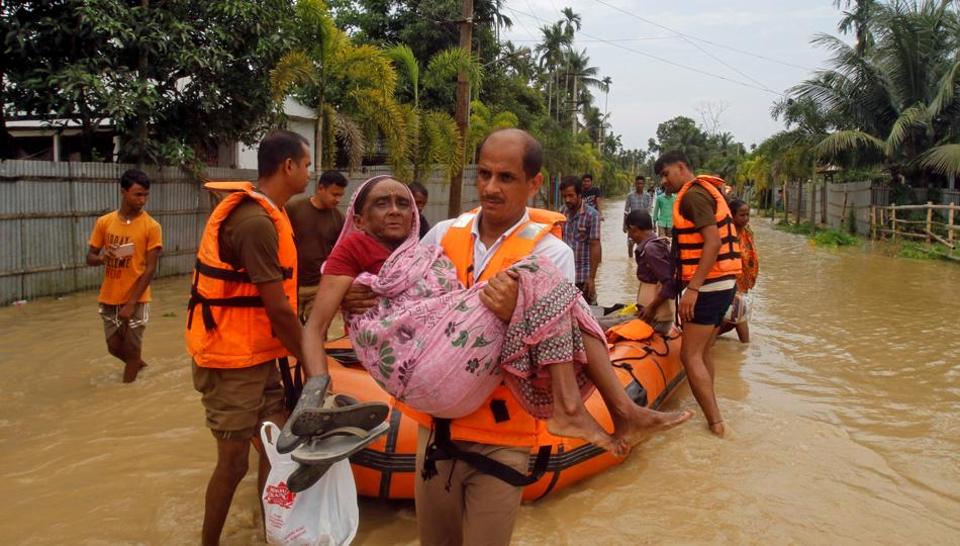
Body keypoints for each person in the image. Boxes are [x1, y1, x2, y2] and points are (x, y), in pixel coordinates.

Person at [339, 129, 689, 546]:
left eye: (505, 177)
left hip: (500, 438)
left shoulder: (550, 254)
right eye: (484, 174)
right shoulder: (442, 236)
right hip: (435, 431)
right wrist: (357, 291)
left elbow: (558, 351)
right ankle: (620, 410)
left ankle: (609, 410)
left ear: (534, 183)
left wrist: (517, 314)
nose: (489, 187)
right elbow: (405, 307)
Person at [186, 130, 320, 546]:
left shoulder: (270, 214)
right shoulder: (255, 222)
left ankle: (269, 533)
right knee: (232, 464)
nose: (309, 174)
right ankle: (208, 542)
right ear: (288, 167)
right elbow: (278, 308)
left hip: (258, 356)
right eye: (308, 166)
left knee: (276, 449)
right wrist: (316, 369)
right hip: (229, 362)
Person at [655, 150, 742, 438]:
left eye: (666, 174)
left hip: (707, 285)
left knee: (689, 356)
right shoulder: (706, 192)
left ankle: (716, 424)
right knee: (703, 351)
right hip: (722, 284)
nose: (664, 181)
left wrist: (692, 288)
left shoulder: (692, 196)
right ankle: (711, 408)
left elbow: (713, 243)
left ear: (682, 167)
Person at [86, 168, 163, 383]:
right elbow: (89, 257)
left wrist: (131, 303)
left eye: (146, 195)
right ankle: (141, 366)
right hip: (109, 295)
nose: (143, 200)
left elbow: (149, 269)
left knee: (131, 349)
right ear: (123, 192)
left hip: (137, 298)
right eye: (138, 194)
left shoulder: (152, 227)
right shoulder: (105, 222)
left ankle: (126, 392)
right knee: (113, 348)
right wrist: (103, 258)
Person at [286, 169, 347, 323]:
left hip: (319, 287)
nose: (338, 199)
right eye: (334, 194)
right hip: (292, 285)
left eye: (340, 195)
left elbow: (342, 253)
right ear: (320, 189)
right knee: (290, 333)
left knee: (317, 333)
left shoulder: (338, 218)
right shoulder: (293, 208)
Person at [624, 210, 677, 335]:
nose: (629, 236)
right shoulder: (655, 244)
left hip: (655, 318)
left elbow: (669, 283)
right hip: (651, 314)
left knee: (600, 325)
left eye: (629, 232)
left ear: (634, 229)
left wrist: (651, 308)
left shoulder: (651, 249)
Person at [719, 199, 758, 343]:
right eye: (742, 215)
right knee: (739, 314)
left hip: (744, 282)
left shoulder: (748, 231)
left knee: (733, 317)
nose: (746, 218)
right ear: (732, 215)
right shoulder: (727, 234)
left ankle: (710, 339)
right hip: (731, 282)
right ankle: (746, 346)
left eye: (748, 214)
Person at [560, 176, 602, 305]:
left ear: (579, 195)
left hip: (584, 275)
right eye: (564, 196)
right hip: (565, 275)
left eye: (571, 196)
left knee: (589, 314)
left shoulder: (592, 215)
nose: (567, 200)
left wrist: (592, 278)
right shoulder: (562, 212)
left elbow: (595, 245)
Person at [623, 175, 649, 257]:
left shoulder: (647, 196)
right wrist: (624, 225)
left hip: (643, 225)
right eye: (638, 183)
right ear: (635, 184)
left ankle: (640, 262)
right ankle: (630, 262)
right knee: (630, 244)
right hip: (632, 224)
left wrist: (649, 227)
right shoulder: (630, 196)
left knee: (642, 245)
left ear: (644, 184)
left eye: (641, 183)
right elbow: (626, 211)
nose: (639, 185)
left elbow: (648, 212)